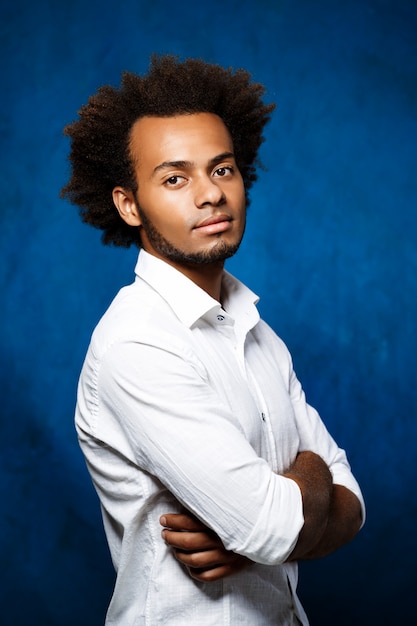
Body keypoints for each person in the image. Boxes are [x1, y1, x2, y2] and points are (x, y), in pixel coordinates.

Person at [61, 54, 365, 625]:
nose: (210, 195)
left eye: (221, 169)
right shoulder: (138, 344)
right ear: (129, 205)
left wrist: (272, 522)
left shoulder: (257, 331)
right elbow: (274, 525)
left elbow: (354, 506)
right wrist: (303, 484)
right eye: (175, 178)